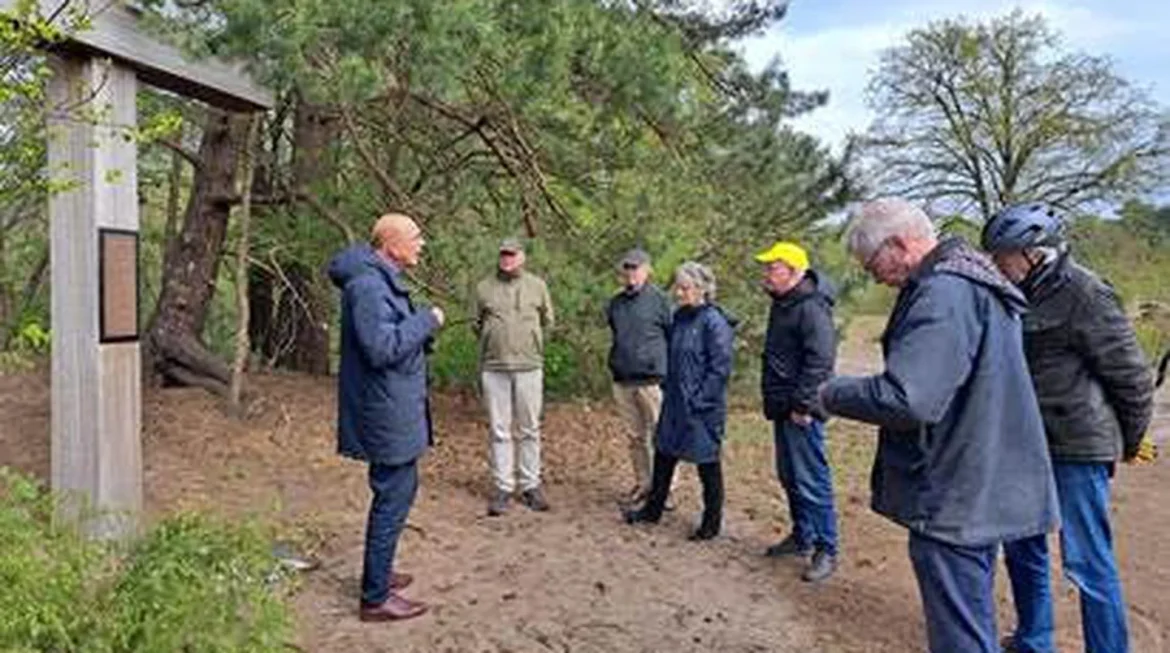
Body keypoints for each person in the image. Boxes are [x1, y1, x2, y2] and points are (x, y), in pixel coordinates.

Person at [818, 198, 1059, 652]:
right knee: (972, 623)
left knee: (960, 636)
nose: (875, 277)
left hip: (956, 493)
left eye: (874, 264)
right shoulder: (972, 279)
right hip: (978, 482)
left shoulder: (944, 291)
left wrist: (832, 393)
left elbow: (910, 398)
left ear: (900, 244)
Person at [982, 203, 1155, 653]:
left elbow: (1132, 376)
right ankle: (1034, 640)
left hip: (1077, 446)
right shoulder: (1015, 292)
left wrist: (1131, 442)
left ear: (1036, 253)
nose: (997, 264)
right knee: (1022, 549)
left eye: (1004, 256)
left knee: (1087, 562)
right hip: (1025, 444)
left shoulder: (1086, 293)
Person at [327, 213, 444, 622]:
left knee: (399, 492)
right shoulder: (368, 287)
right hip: (384, 413)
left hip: (393, 408)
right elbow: (382, 348)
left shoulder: (377, 279)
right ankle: (375, 598)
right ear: (390, 244)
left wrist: (418, 328)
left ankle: (380, 574)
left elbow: (392, 340)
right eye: (415, 236)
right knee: (392, 498)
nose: (421, 243)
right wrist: (427, 321)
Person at [624, 261, 736, 541]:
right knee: (664, 454)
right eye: (678, 287)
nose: (678, 293)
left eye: (685, 288)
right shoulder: (680, 317)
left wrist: (700, 400)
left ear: (701, 289)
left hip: (702, 407)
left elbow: (720, 368)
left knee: (707, 463)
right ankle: (652, 511)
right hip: (675, 399)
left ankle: (711, 523)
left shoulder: (714, 321)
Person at [755, 241, 840, 582]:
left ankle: (826, 547)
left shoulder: (811, 308)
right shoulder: (783, 303)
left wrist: (804, 404)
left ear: (794, 272)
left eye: (772, 268)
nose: (766, 274)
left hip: (801, 410)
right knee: (789, 475)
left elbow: (820, 361)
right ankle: (802, 536)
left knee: (811, 479)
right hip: (783, 405)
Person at [475, 237, 555, 516]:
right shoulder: (484, 287)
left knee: (529, 429)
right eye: (503, 254)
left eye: (512, 254)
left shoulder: (538, 286)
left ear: (522, 257)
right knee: (499, 430)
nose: (507, 259)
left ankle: (530, 485)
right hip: (494, 368)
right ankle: (503, 487)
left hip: (530, 366)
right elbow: (477, 323)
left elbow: (548, 320)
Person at [606, 248, 672, 505]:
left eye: (636, 269)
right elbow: (616, 332)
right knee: (635, 437)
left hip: (652, 381)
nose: (631, 274)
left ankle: (665, 489)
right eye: (627, 269)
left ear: (647, 271)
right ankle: (643, 484)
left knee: (661, 436)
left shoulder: (660, 300)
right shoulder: (616, 303)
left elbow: (671, 335)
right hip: (623, 379)